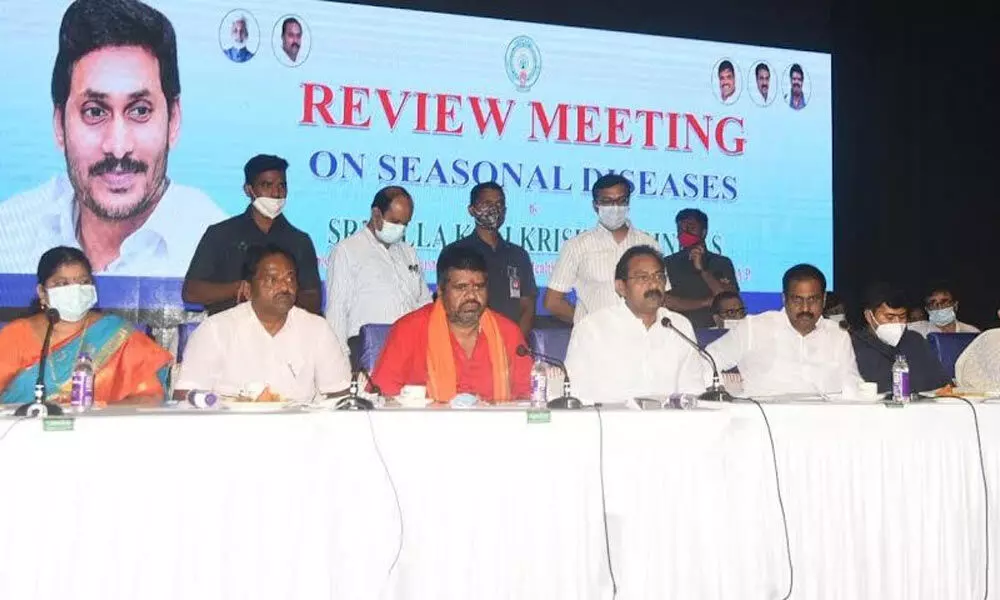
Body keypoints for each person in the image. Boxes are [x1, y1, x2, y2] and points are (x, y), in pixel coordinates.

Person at [0, 0, 225, 276]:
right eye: (94, 112)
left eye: (140, 111)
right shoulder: (8, 238)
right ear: (59, 124)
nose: (118, 148)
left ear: (173, 121)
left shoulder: (224, 255)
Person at [175, 245, 351, 401]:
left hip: (300, 432)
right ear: (248, 289)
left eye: (290, 278)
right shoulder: (215, 330)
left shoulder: (317, 329)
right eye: (272, 280)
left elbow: (338, 395)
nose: (284, 287)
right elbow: (185, 397)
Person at [0, 246, 171, 405]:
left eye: (83, 282)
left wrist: (96, 416)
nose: (75, 291)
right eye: (62, 284)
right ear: (42, 292)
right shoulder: (17, 335)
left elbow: (150, 397)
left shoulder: (117, 334)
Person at [370, 246, 531, 404]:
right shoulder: (408, 331)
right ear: (440, 290)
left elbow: (529, 397)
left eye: (479, 287)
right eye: (461, 287)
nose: (471, 296)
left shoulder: (508, 333)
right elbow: (381, 398)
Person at [565, 246, 706, 406]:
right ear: (621, 287)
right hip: (610, 424)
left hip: (668, 425)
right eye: (642, 277)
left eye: (659, 276)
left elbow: (693, 389)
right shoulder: (592, 328)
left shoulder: (680, 326)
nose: (653, 283)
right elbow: (574, 394)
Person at [183, 154, 322, 315]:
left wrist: (281, 292)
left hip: (284, 334)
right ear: (249, 190)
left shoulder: (299, 241)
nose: (276, 193)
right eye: (267, 185)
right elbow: (191, 292)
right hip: (230, 332)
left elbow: (314, 300)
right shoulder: (220, 234)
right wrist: (238, 288)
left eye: (282, 186)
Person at [706, 264, 862, 397]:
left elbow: (853, 385)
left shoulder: (838, 334)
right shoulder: (753, 327)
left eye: (813, 299)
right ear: (784, 299)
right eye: (797, 300)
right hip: (764, 425)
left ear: (824, 300)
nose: (805, 308)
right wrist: (728, 393)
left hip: (823, 424)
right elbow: (706, 362)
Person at [325, 186, 432, 361]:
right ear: (376, 214)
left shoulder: (409, 253)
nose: (401, 229)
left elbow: (424, 304)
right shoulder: (347, 251)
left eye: (405, 224)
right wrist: (339, 362)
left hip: (411, 352)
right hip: (368, 351)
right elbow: (337, 312)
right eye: (395, 222)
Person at [544, 174, 661, 325]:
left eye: (621, 201)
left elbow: (661, 296)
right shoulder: (576, 246)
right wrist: (589, 324)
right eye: (607, 202)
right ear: (595, 205)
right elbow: (552, 302)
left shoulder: (649, 244)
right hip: (594, 342)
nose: (615, 207)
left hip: (641, 338)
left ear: (628, 202)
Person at [443, 182, 537, 338]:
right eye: (487, 203)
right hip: (468, 342)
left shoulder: (519, 255)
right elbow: (447, 305)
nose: (494, 209)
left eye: (499, 204)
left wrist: (515, 343)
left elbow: (527, 307)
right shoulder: (454, 253)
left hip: (510, 344)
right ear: (471, 210)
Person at [851, 283, 950, 394]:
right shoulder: (853, 346)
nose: (897, 322)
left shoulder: (916, 341)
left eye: (902, 317)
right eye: (889, 317)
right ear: (869, 316)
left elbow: (942, 384)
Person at [663, 208, 738, 328]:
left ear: (703, 232)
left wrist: (702, 270)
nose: (684, 233)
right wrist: (705, 302)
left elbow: (729, 300)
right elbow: (664, 300)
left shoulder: (721, 263)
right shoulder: (667, 263)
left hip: (714, 331)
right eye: (680, 229)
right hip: (678, 330)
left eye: (691, 228)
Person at [910, 284, 980, 337]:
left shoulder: (971, 333)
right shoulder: (916, 332)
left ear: (955, 305)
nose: (939, 307)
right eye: (933, 303)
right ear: (927, 309)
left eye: (944, 302)